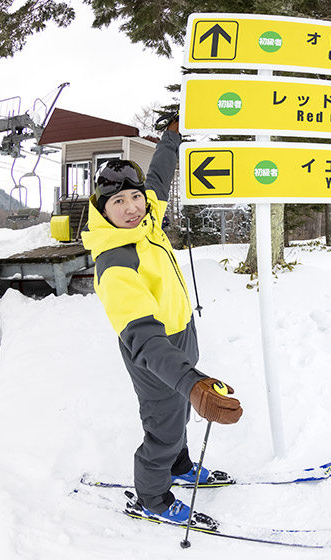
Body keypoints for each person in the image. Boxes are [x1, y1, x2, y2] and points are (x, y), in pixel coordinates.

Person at [82, 117, 243, 525]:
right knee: (164, 426)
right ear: (103, 211)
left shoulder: (147, 216)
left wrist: (171, 137)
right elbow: (145, 340)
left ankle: (180, 466)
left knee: (179, 415)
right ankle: (152, 498)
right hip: (153, 355)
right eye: (118, 203)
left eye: (134, 198)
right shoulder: (115, 263)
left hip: (181, 333)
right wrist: (192, 383)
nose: (131, 208)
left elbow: (158, 174)